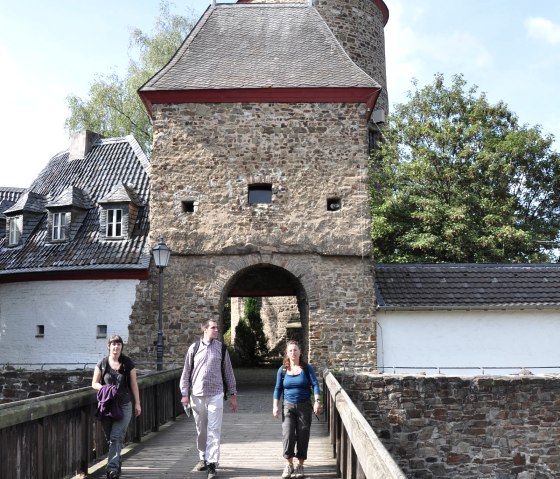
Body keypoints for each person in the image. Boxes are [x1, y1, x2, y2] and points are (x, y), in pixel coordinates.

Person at [180, 319, 238, 479]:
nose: (216, 330)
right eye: (213, 328)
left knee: (214, 430)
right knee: (202, 430)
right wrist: (184, 394)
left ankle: (212, 464)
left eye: (217, 328)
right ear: (204, 330)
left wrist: (233, 395)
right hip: (197, 395)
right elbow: (186, 373)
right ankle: (202, 457)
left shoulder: (222, 348)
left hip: (216, 395)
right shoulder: (194, 348)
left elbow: (228, 373)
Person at [92, 335, 141, 479]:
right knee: (111, 438)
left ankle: (111, 469)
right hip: (107, 405)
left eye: (119, 344)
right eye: (113, 344)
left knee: (115, 436)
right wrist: (104, 388)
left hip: (124, 404)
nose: (116, 347)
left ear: (121, 347)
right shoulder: (102, 363)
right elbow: (94, 383)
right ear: (109, 346)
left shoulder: (127, 363)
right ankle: (117, 462)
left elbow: (133, 384)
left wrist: (137, 403)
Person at [273, 340, 321, 479]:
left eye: (295, 350)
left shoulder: (307, 368)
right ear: (287, 354)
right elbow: (278, 388)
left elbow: (315, 384)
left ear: (300, 352)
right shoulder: (282, 370)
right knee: (288, 435)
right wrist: (275, 405)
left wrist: (317, 401)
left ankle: (300, 465)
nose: (293, 353)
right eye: (290, 351)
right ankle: (289, 464)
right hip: (288, 406)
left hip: (304, 406)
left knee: (303, 435)